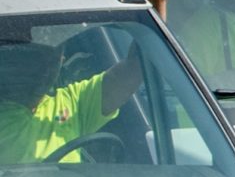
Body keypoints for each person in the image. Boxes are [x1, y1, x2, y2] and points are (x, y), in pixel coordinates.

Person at [0, 36, 143, 163]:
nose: (44, 72)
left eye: (52, 62)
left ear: (61, 62)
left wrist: (157, 6)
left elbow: (136, 66)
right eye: (36, 61)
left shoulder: (73, 103)